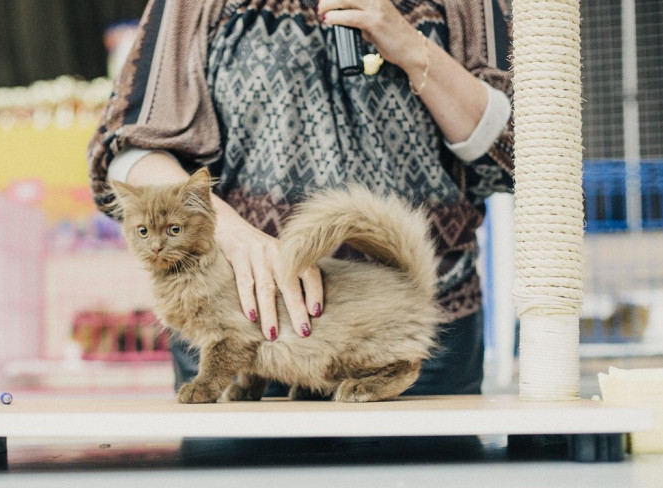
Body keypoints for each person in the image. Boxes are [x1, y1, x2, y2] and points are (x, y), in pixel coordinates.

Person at [87, 0, 514, 396]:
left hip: (406, 321)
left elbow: (518, 150)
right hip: (241, 314)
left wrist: (413, 48)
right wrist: (224, 227)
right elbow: (124, 143)